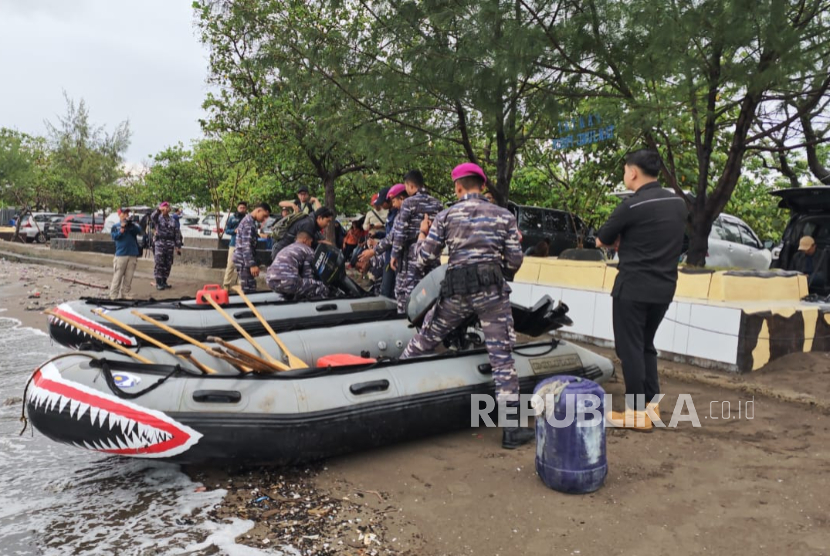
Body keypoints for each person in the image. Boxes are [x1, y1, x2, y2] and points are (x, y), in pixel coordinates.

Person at [400, 163, 529, 449]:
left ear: (458, 187)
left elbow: (423, 258)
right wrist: (500, 268)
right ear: (482, 186)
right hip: (492, 292)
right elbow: (515, 261)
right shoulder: (504, 216)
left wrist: (422, 234)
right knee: (502, 356)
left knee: (426, 339)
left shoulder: (446, 216)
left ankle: (394, 381)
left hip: (456, 290)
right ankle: (511, 430)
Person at [596, 149, 688, 431]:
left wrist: (621, 242)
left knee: (630, 349)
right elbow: (683, 243)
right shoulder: (678, 203)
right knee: (646, 345)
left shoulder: (631, 206)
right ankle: (652, 406)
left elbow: (601, 240)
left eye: (625, 170)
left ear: (633, 172)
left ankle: (636, 414)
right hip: (664, 288)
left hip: (633, 288)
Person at [388, 170, 444, 313]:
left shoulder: (408, 203)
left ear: (411, 186)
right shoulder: (438, 204)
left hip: (411, 256)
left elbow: (400, 232)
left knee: (410, 296)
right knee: (431, 292)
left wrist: (394, 254)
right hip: (432, 254)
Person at [358, 185, 406, 300]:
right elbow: (389, 234)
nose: (380, 205)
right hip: (388, 255)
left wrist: (374, 251)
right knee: (388, 288)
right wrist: (378, 234)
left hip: (395, 256)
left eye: (382, 203)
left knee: (388, 290)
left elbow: (393, 238)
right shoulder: (391, 213)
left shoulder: (399, 215)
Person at [266, 231, 331, 300]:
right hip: (289, 281)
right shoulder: (308, 250)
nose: (311, 245)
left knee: (297, 286)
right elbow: (308, 275)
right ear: (305, 240)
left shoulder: (287, 248)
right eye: (310, 242)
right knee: (321, 286)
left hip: (271, 281)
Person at [232, 202, 271, 293]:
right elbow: (246, 245)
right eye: (264, 216)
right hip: (244, 260)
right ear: (259, 210)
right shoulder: (248, 223)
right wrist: (252, 265)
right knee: (248, 288)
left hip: (243, 259)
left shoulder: (250, 221)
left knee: (248, 286)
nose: (264, 219)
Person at [109, 208, 141, 300]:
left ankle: (125, 294)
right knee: (117, 276)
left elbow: (140, 232)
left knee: (129, 277)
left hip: (132, 254)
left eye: (127, 213)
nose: (126, 215)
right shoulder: (116, 226)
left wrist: (132, 224)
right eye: (124, 213)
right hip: (121, 255)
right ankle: (113, 296)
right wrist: (121, 229)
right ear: (119, 215)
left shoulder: (132, 226)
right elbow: (114, 237)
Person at [150, 202, 182, 290]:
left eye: (168, 207)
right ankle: (158, 282)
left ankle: (164, 281)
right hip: (160, 243)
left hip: (170, 243)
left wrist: (178, 246)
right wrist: (158, 210)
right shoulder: (158, 218)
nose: (166, 209)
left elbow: (177, 233)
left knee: (168, 263)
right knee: (159, 263)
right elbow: (152, 217)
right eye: (164, 207)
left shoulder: (172, 220)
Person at [222, 201, 248, 291]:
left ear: (246, 209)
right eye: (240, 207)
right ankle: (226, 285)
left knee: (243, 266)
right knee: (230, 265)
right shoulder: (232, 218)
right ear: (237, 208)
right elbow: (226, 230)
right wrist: (234, 231)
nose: (242, 209)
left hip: (244, 245)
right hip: (233, 244)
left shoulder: (248, 219)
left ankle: (240, 285)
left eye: (244, 208)